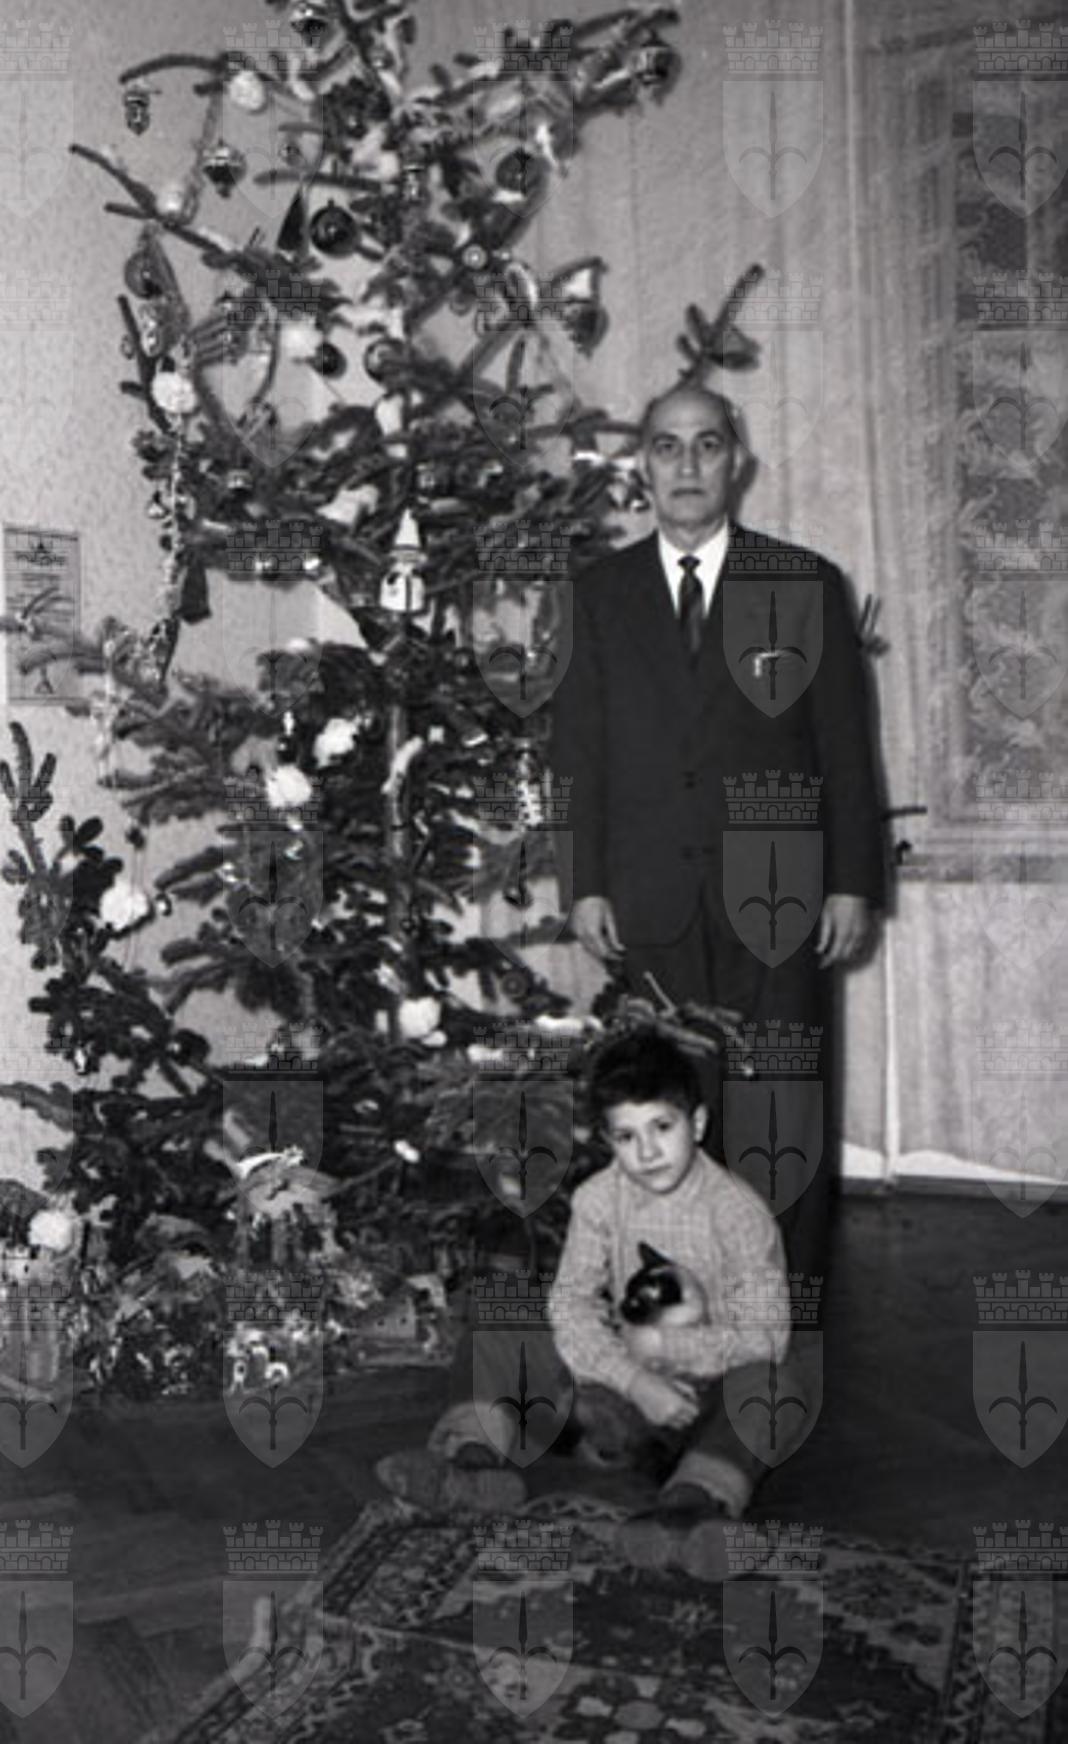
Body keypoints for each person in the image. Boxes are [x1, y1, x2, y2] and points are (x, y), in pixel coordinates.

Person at [548, 379, 886, 1280]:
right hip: (650, 892)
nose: (688, 464)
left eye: (707, 444)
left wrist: (852, 882)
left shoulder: (804, 584)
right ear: (643, 467)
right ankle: (675, 1284)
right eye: (667, 445)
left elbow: (845, 749)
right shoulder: (596, 594)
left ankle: (783, 1297)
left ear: (737, 462)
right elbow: (576, 754)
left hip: (780, 895)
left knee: (780, 1098)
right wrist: (583, 882)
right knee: (664, 1100)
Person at [373, 1032, 798, 1574]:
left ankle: (692, 1505)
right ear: (607, 1138)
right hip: (613, 1388)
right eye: (626, 1136)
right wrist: (632, 1379)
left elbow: (764, 1335)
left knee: (773, 1382)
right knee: (501, 1314)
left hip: (696, 1402)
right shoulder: (598, 1198)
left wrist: (667, 1353)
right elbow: (571, 1304)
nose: (647, 1152)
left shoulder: (738, 1214)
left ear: (696, 1124)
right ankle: (471, 1466)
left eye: (662, 1128)